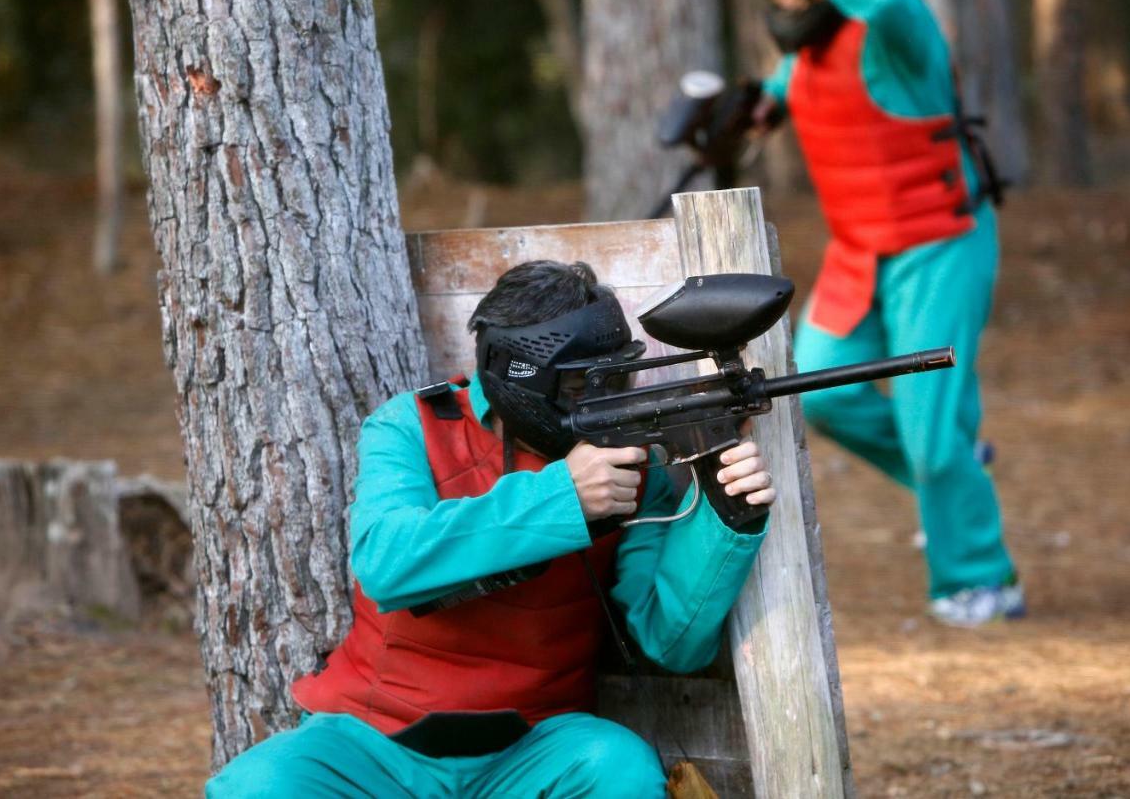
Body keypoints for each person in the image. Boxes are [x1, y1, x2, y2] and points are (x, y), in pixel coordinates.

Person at [206, 260, 776, 798]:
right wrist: (561, 498)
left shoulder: (630, 462)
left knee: (617, 767)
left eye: (614, 380)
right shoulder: (412, 425)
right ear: (520, 375)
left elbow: (667, 640)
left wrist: (724, 516)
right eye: (581, 388)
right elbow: (385, 561)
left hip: (532, 746)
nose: (605, 402)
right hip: (371, 739)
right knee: (260, 785)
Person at [753, 0, 1023, 627]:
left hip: (939, 245)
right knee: (816, 387)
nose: (788, 11)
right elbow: (788, 87)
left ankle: (981, 579)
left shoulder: (898, 36)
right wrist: (755, 107)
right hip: (860, 250)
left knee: (932, 433)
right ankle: (953, 479)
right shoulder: (805, 58)